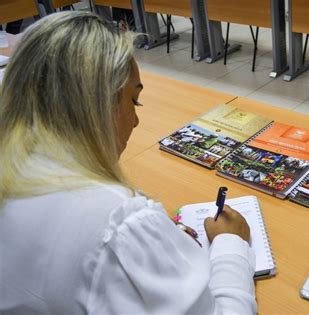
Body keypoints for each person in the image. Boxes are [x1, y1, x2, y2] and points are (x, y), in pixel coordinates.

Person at [0, 12, 257, 314]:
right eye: (133, 101)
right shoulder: (121, 220)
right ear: (98, 104)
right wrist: (231, 244)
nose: (135, 121)